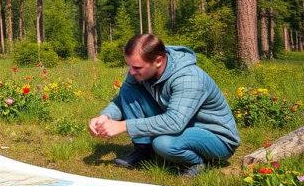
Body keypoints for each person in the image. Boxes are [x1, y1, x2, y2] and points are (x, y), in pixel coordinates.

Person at [88, 34, 240, 177]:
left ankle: (197, 162)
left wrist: (124, 126)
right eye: (129, 66)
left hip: (215, 137)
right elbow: (123, 99)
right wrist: (105, 116)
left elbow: (174, 122)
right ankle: (144, 150)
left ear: (159, 60)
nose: (131, 72)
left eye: (137, 67)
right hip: (182, 123)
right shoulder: (143, 70)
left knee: (163, 143)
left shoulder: (189, 78)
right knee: (128, 89)